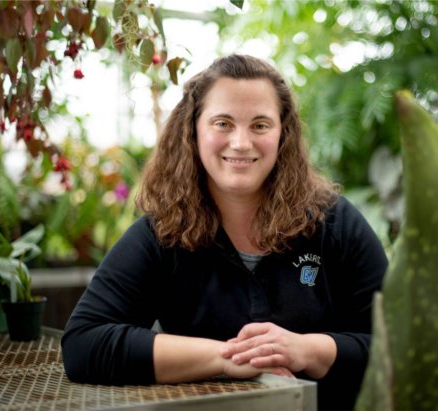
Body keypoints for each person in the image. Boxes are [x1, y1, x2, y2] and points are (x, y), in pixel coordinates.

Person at [61, 54, 388, 411]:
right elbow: (83, 343)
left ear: (283, 133)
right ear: (193, 131)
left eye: (260, 125)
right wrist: (228, 358)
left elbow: (401, 343)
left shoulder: (335, 224)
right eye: (222, 123)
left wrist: (309, 350)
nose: (241, 142)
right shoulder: (163, 233)